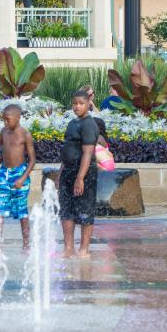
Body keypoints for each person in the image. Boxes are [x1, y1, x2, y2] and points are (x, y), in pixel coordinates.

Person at [0, 104, 36, 247]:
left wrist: (22, 178)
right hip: (4, 173)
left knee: (22, 211)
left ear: (18, 117)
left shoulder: (25, 135)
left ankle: (26, 244)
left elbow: (33, 160)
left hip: (20, 173)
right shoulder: (4, 131)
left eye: (7, 119)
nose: (5, 122)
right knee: (0, 209)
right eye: (3, 119)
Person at [60, 90, 98, 258]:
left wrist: (80, 178)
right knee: (66, 210)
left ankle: (84, 249)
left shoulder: (89, 124)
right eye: (74, 103)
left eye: (81, 103)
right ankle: (68, 248)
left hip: (84, 173)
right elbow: (67, 149)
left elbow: (88, 153)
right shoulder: (72, 123)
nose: (77, 107)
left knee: (85, 209)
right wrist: (60, 174)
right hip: (68, 171)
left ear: (88, 103)